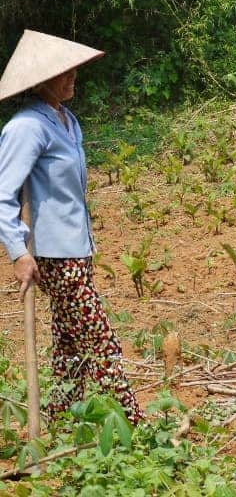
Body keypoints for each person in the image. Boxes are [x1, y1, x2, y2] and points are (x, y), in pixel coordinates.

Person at [0, 30, 144, 424]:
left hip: (77, 249)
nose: (73, 76)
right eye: (63, 72)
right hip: (53, 255)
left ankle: (62, 416)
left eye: (73, 70)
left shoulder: (67, 121)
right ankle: (136, 423)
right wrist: (18, 252)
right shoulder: (26, 127)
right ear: (41, 81)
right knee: (99, 338)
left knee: (69, 342)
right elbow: (3, 195)